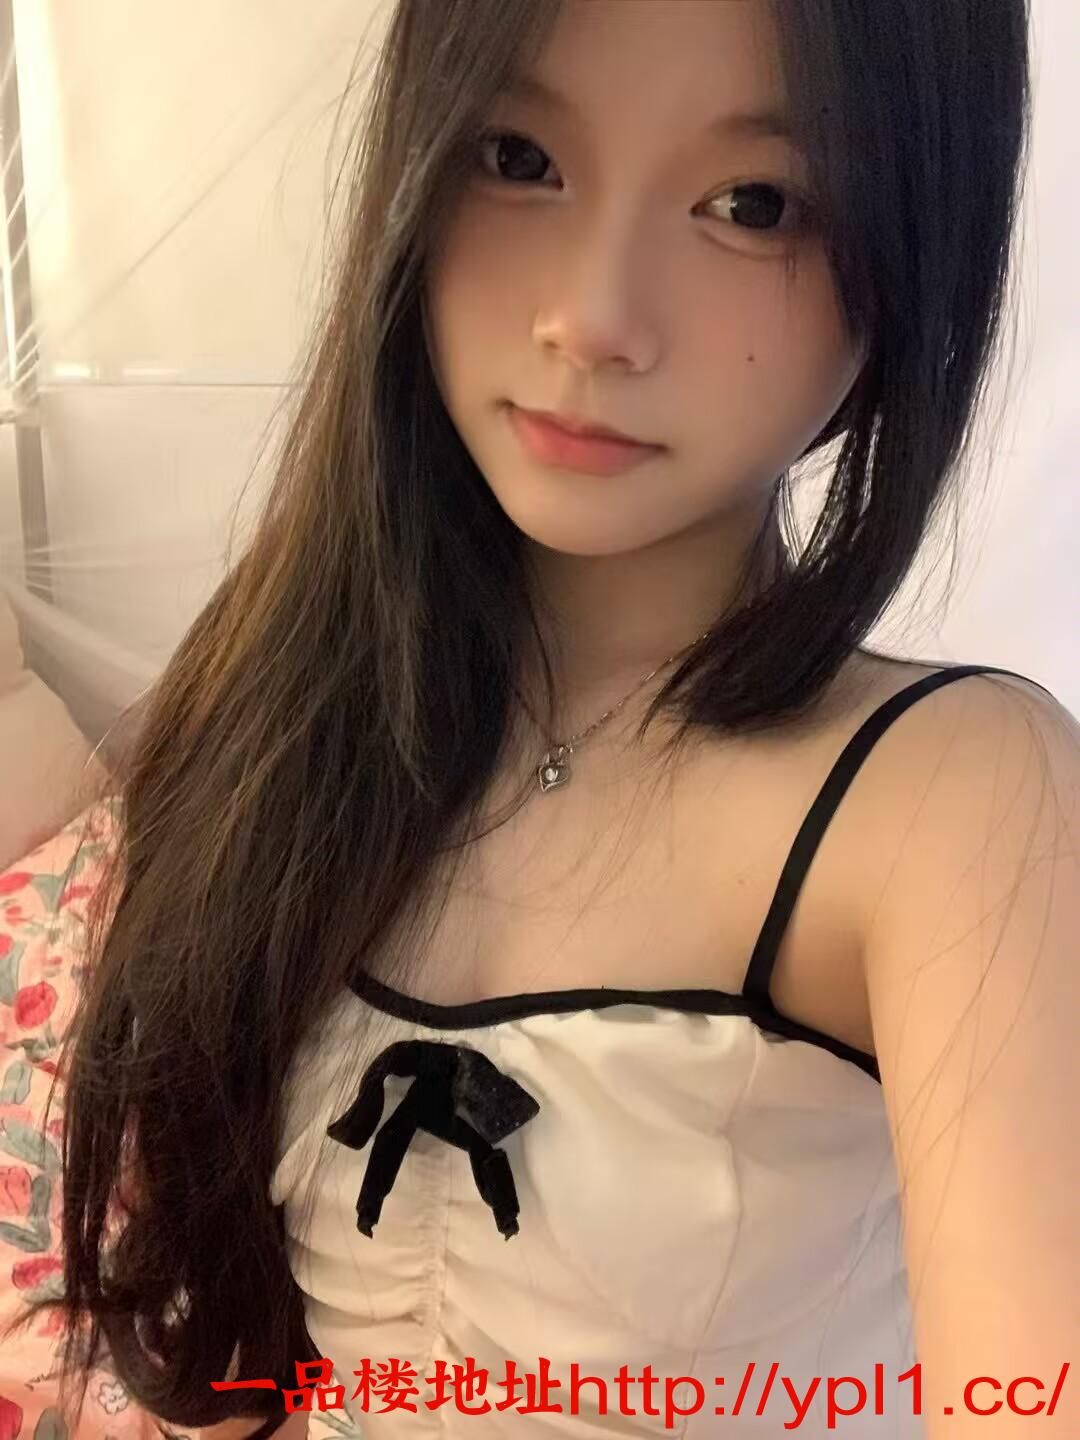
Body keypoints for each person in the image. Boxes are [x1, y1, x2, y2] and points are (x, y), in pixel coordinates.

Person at [7, 0, 1077, 1436]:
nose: (592, 317)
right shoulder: (281, 706)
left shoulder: (957, 799)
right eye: (519, 158)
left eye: (753, 205)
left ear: (911, 243)